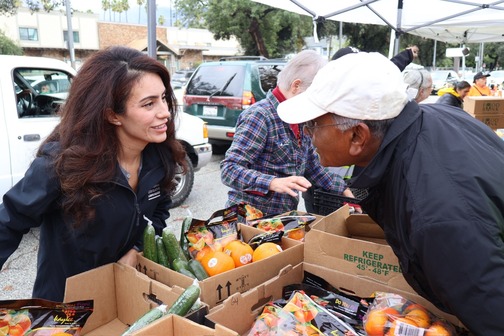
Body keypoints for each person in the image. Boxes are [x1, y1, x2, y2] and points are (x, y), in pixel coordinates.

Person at [277, 52, 504, 333]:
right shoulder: (435, 116)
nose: (308, 134)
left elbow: (494, 317)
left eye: (313, 124)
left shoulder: (435, 218)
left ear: (358, 136)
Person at [0, 46, 187, 302]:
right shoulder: (64, 162)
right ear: (112, 115)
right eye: (149, 104)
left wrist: (138, 248)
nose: (165, 111)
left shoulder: (159, 155)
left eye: (164, 98)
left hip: (124, 294)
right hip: (65, 305)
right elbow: (8, 221)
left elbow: (159, 208)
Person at [220, 50, 353, 216]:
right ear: (296, 86)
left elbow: (313, 167)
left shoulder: (300, 117)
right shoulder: (260, 116)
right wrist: (272, 182)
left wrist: (344, 191)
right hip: (249, 219)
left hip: (282, 220)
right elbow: (229, 169)